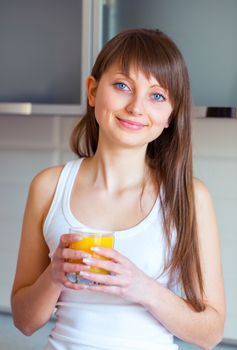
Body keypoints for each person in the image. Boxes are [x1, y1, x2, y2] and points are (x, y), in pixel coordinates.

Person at [11, 28, 225, 349]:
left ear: (170, 114)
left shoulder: (190, 197)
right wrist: (53, 276)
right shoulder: (49, 186)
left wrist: (140, 287)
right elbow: (25, 322)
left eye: (157, 95)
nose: (136, 107)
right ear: (93, 91)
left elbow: (210, 334)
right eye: (123, 86)